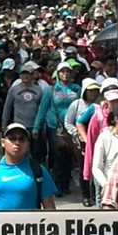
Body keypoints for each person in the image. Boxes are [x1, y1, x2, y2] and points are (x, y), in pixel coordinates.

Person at [0, 124, 57, 212]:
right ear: (3, 142)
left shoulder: (38, 170)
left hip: (29, 221)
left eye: (22, 139)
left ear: (28, 144)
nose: (17, 142)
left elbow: (49, 207)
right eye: (12, 138)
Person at [33, 61, 80, 195]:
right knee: (57, 156)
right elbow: (43, 108)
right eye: (62, 71)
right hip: (55, 127)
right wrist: (36, 127)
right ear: (58, 74)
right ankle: (57, 185)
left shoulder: (76, 89)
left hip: (71, 127)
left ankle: (66, 185)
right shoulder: (51, 90)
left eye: (67, 71)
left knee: (69, 155)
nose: (65, 74)